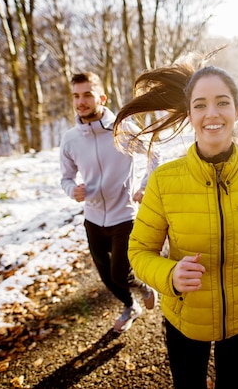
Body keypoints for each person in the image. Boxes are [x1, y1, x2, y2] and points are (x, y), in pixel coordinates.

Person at [113, 57, 238, 388]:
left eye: (222, 103)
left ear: (237, 111)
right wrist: (169, 274)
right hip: (184, 317)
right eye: (200, 105)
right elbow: (140, 251)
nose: (211, 113)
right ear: (190, 116)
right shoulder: (163, 181)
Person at [60, 72, 159, 333]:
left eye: (87, 95)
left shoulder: (122, 129)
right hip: (92, 219)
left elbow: (154, 154)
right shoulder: (70, 139)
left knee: (120, 273)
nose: (81, 102)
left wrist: (144, 187)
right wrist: (73, 190)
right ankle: (130, 306)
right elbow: (66, 178)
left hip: (124, 216)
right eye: (76, 96)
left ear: (102, 98)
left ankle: (144, 288)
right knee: (106, 276)